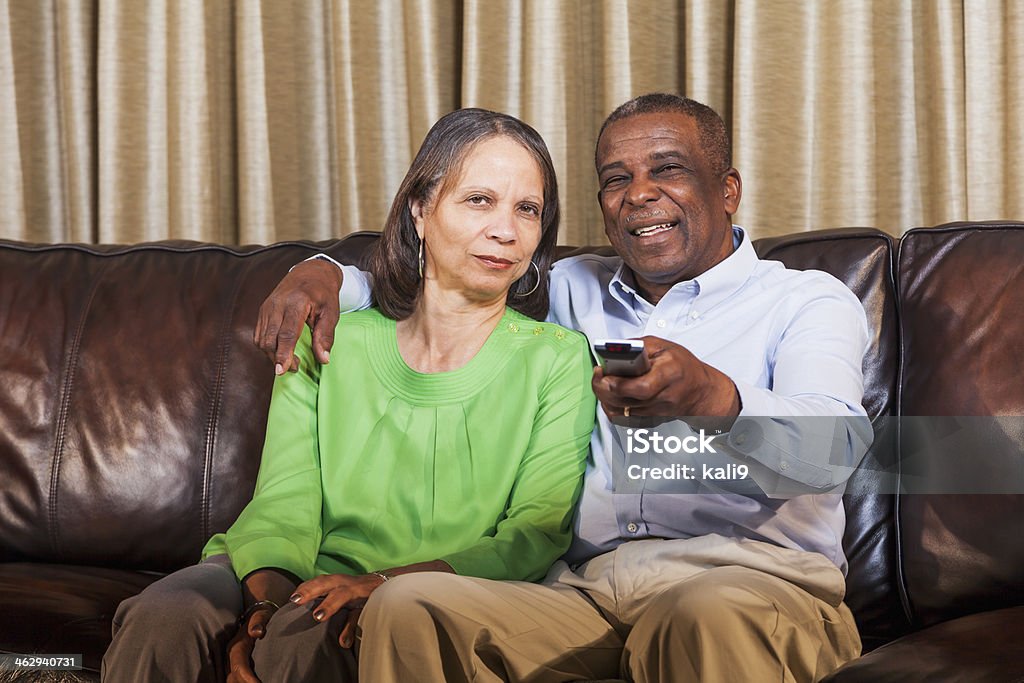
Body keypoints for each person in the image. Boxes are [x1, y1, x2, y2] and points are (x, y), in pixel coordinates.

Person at [255, 94, 873, 682]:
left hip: (749, 582)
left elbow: (831, 455)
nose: (639, 194)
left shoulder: (805, 300)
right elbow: (446, 281)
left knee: (700, 615)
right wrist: (324, 275)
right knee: (410, 603)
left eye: (668, 170)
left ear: (729, 189)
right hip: (586, 593)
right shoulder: (575, 286)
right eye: (614, 178)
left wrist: (712, 396)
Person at [100, 108, 596, 683]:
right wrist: (263, 603)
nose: (506, 231)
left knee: (306, 635)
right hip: (274, 562)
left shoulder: (558, 359)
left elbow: (533, 535)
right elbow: (284, 499)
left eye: (527, 209)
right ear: (420, 211)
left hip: (434, 588)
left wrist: (380, 584)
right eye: (479, 200)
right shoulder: (329, 339)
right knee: (163, 617)